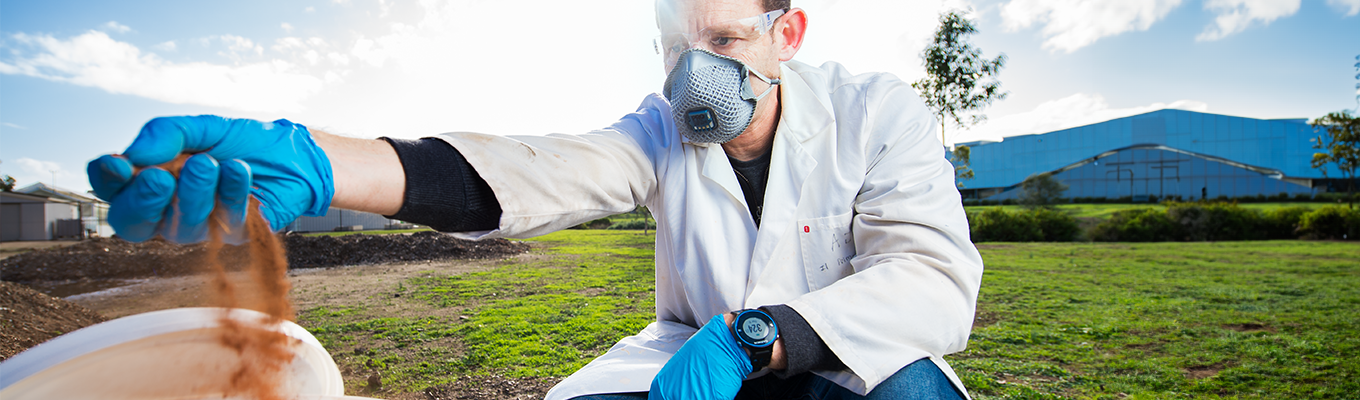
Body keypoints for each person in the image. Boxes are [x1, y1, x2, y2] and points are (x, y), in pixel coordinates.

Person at [87, 0, 984, 398]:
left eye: (725, 37)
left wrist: (757, 336)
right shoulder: (660, 128)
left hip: (848, 360)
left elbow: (933, 282)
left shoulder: (877, 113)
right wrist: (322, 161)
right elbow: (546, 170)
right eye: (675, 42)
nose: (693, 69)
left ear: (785, 34)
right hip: (684, 368)